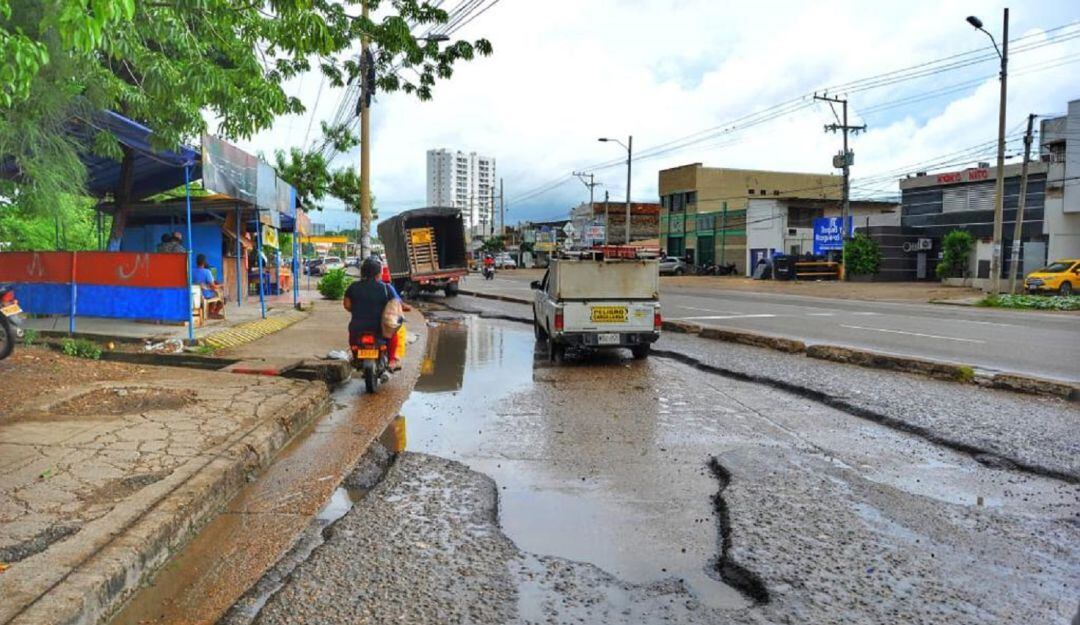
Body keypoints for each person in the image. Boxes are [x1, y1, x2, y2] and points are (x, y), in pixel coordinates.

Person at [344, 258, 400, 370]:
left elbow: (347, 305)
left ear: (362, 272)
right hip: (380, 328)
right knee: (393, 333)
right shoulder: (386, 288)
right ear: (379, 273)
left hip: (357, 327)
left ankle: (355, 357)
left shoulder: (353, 287)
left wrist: (357, 310)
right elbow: (395, 306)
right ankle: (392, 360)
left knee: (353, 339)